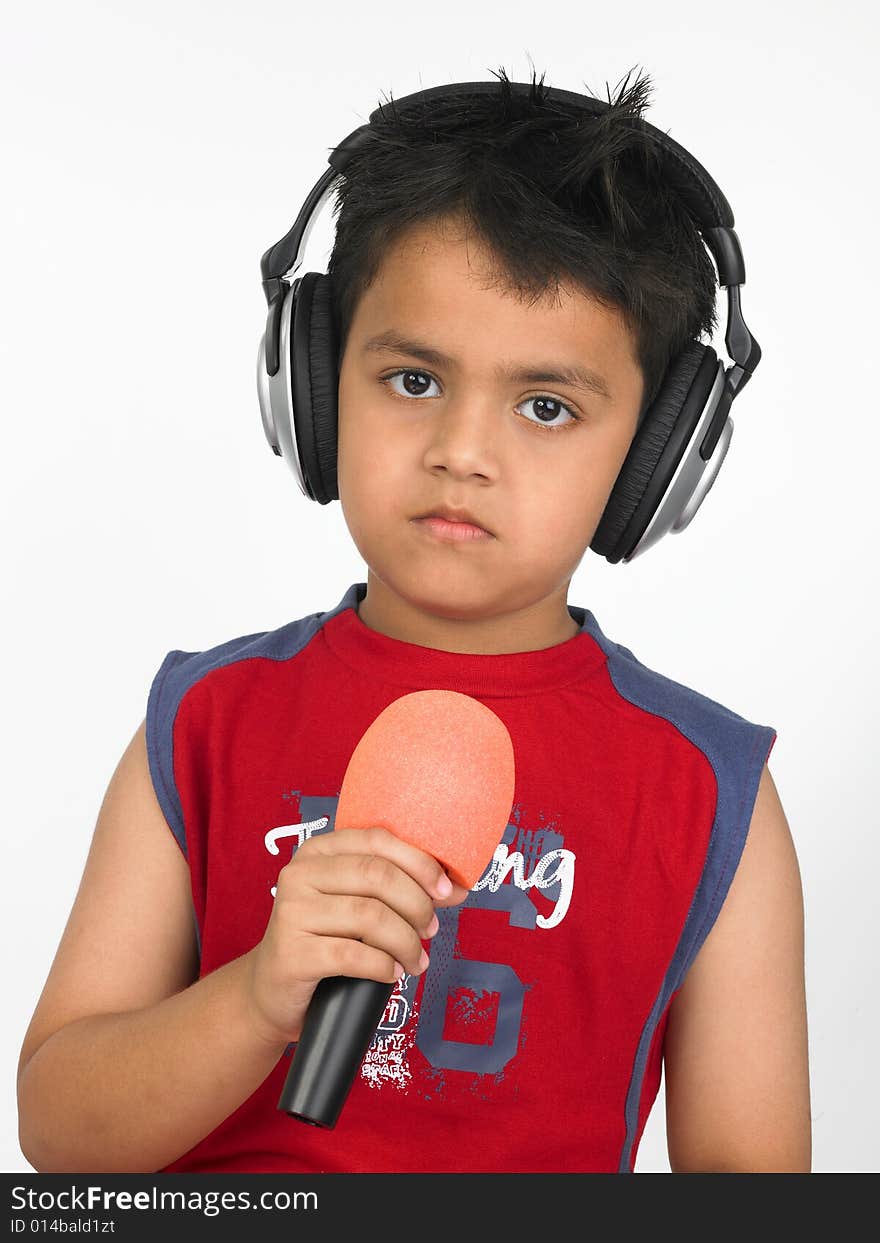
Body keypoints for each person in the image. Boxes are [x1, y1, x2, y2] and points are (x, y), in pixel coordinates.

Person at [16, 67, 811, 1174]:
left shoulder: (706, 784)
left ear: (655, 462)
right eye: (412, 380)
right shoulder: (202, 717)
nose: (462, 452)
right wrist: (255, 995)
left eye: (546, 406)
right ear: (316, 380)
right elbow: (63, 1138)